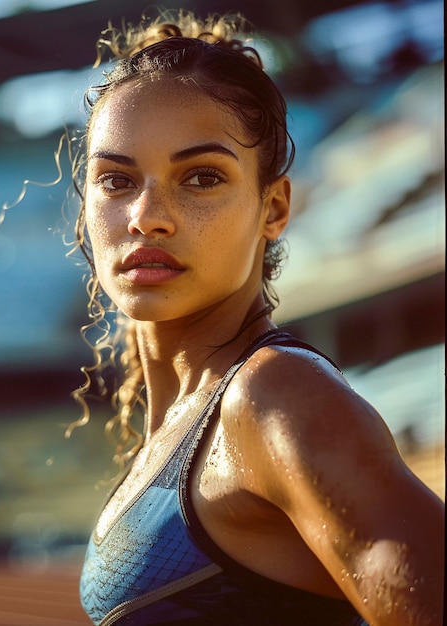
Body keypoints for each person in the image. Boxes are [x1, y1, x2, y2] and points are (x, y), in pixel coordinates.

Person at [65, 9, 444, 626]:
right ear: (85, 210)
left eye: (202, 177)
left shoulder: (274, 398)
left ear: (273, 208)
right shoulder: (177, 429)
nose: (146, 215)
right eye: (116, 179)